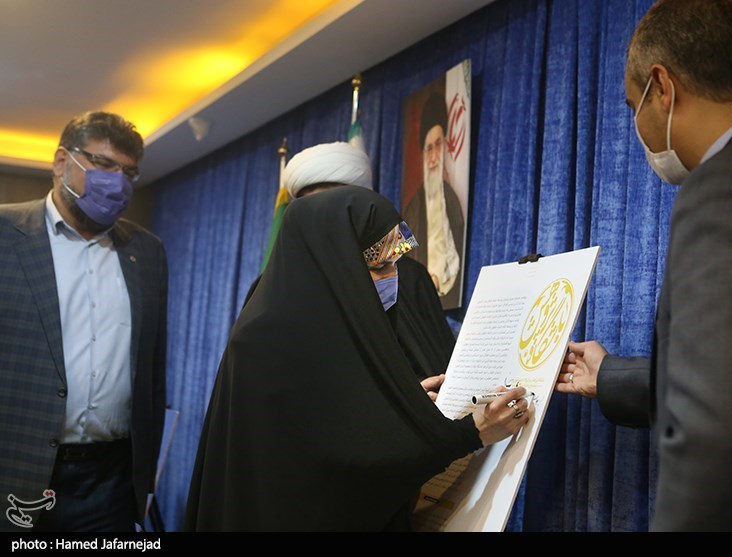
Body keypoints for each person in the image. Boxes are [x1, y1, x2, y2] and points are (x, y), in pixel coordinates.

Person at [557, 0, 732, 531]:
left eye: (633, 105)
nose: (637, 126)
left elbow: (723, 429)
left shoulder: (727, 185)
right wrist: (610, 375)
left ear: (662, 88)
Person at [184, 186, 531, 531]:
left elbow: (344, 421)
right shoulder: (266, 342)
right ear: (335, 264)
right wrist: (472, 433)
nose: (392, 278)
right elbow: (333, 469)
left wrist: (401, 408)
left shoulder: (327, 331)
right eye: (379, 266)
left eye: (395, 264)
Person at [0, 111, 168, 532]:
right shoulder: (4, 233)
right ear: (62, 161)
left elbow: (152, 371)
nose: (118, 182)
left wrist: (143, 477)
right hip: (15, 471)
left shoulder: (147, 251)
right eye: (104, 164)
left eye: (129, 172)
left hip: (110, 483)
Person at [245, 141, 456, 382]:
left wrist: (419, 394)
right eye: (312, 210)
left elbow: (435, 361)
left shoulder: (409, 275)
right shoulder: (270, 288)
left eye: (337, 208)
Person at [403, 92, 465, 309]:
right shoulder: (411, 210)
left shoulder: (452, 200)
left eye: (438, 145)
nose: (433, 158)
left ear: (445, 146)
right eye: (428, 148)